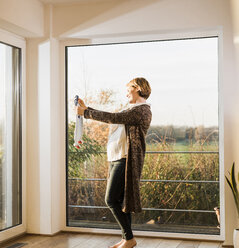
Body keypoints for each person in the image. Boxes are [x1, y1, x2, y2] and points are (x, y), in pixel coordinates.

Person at [76, 77, 152, 248]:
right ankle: (127, 238)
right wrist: (86, 108)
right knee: (121, 202)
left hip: (125, 160)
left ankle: (129, 238)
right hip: (116, 158)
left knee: (110, 200)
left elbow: (113, 117)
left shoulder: (142, 110)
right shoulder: (132, 109)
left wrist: (86, 113)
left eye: (128, 90)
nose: (126, 94)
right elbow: (116, 117)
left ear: (137, 88)